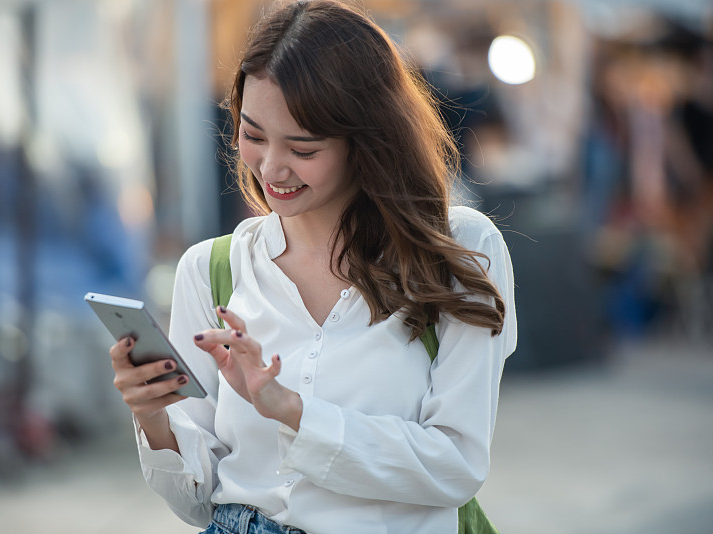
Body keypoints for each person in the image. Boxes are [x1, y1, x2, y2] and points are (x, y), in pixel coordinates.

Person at [108, 1, 517, 533]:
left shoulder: (458, 248)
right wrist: (153, 416)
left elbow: (456, 465)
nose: (271, 168)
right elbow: (199, 499)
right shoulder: (211, 271)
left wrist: (292, 410)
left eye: (303, 148)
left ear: (367, 140)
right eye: (252, 135)